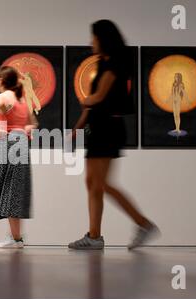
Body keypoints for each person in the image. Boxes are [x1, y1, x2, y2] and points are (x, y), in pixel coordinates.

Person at [68, 20, 160, 250]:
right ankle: (94, 236)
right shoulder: (103, 64)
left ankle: (143, 224)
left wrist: (86, 100)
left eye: (94, 37)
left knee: (102, 183)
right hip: (97, 125)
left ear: (104, 38)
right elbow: (92, 105)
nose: (91, 42)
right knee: (91, 182)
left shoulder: (115, 65)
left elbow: (96, 97)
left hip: (108, 127)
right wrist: (78, 126)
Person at [0, 66, 38, 249]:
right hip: (21, 142)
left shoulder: (3, 97)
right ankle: (16, 237)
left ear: (1, 80)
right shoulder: (22, 99)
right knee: (16, 190)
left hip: (8, 143)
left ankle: (16, 239)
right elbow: (33, 124)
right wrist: (23, 131)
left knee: (8, 188)